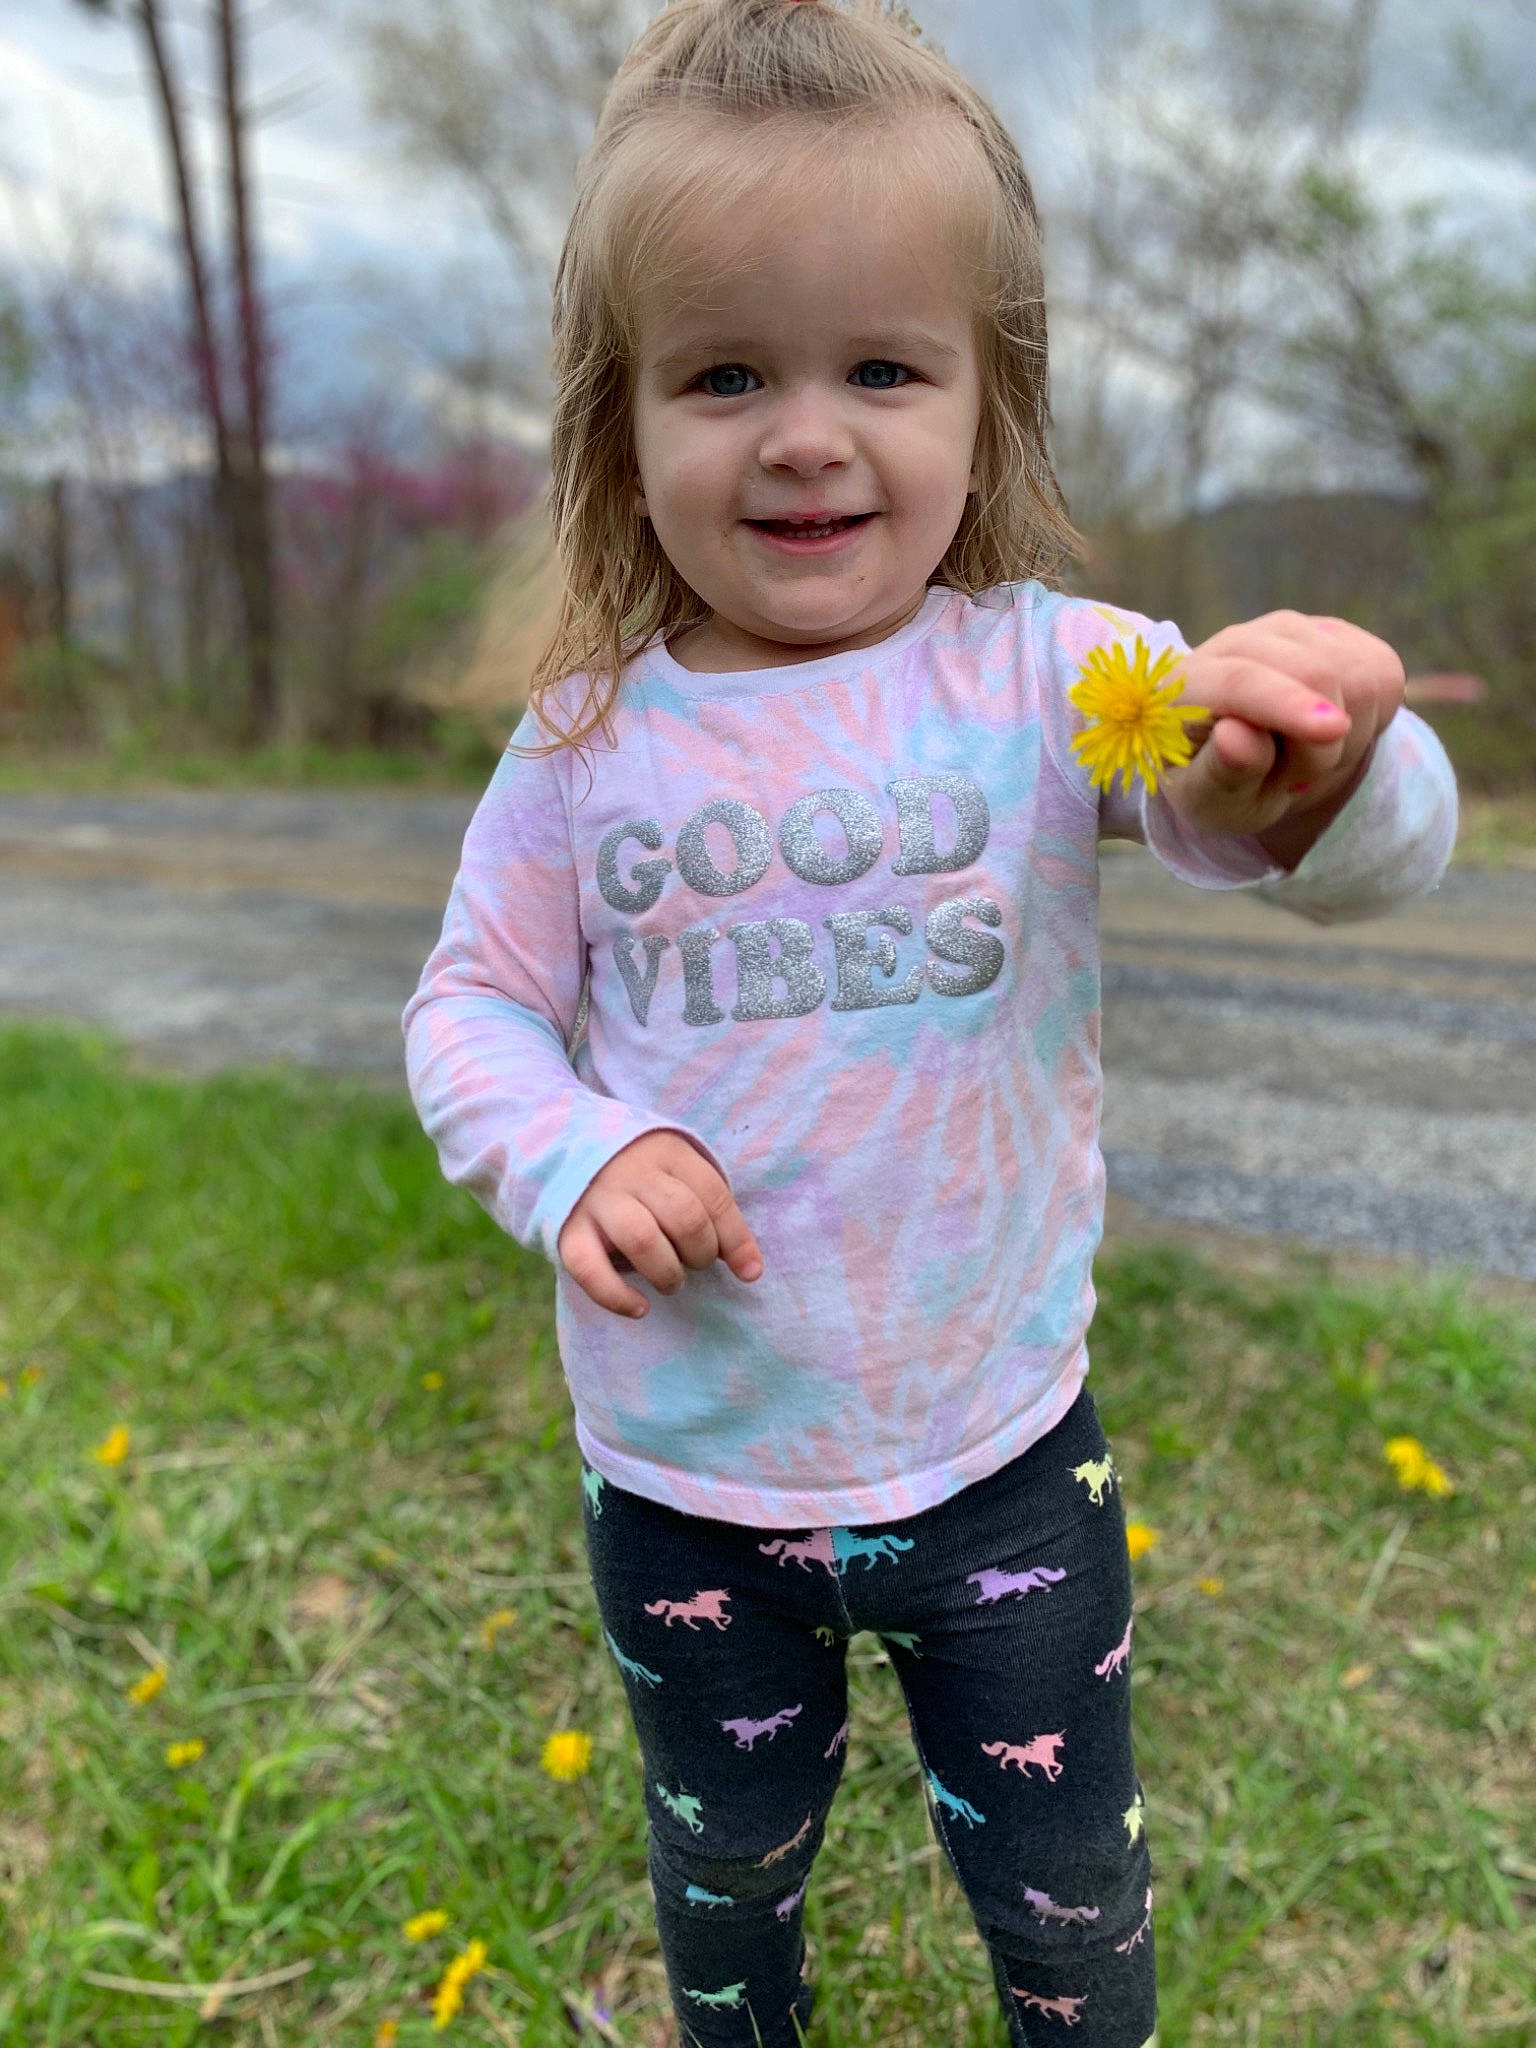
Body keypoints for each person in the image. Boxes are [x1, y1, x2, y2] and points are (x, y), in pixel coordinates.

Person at [403, 3, 1458, 2042]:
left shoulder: (1061, 677)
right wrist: (578, 1151)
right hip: (693, 1481)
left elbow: (1368, 847)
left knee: (1072, 1906)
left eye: (883, 367)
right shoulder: (584, 748)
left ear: (994, 397)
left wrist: (1325, 767)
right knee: (728, 1882)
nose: (808, 434)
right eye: (725, 375)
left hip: (999, 1461)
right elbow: (469, 1014)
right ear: (617, 422)